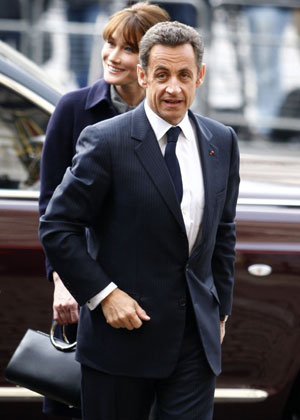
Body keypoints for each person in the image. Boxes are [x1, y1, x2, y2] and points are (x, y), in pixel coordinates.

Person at [39, 21, 240, 420]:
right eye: (161, 75)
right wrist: (103, 294)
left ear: (199, 76)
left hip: (194, 345)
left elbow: (223, 233)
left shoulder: (222, 140)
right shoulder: (106, 140)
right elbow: (58, 226)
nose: (173, 88)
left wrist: (220, 312)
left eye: (184, 75)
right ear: (144, 75)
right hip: (122, 342)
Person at [38, 2, 169, 418]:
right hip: (84, 279)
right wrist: (62, 281)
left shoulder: (170, 115)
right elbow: (51, 207)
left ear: (152, 59)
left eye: (127, 48)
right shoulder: (73, 109)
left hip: (146, 290)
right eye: (109, 44)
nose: (112, 56)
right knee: (77, 402)